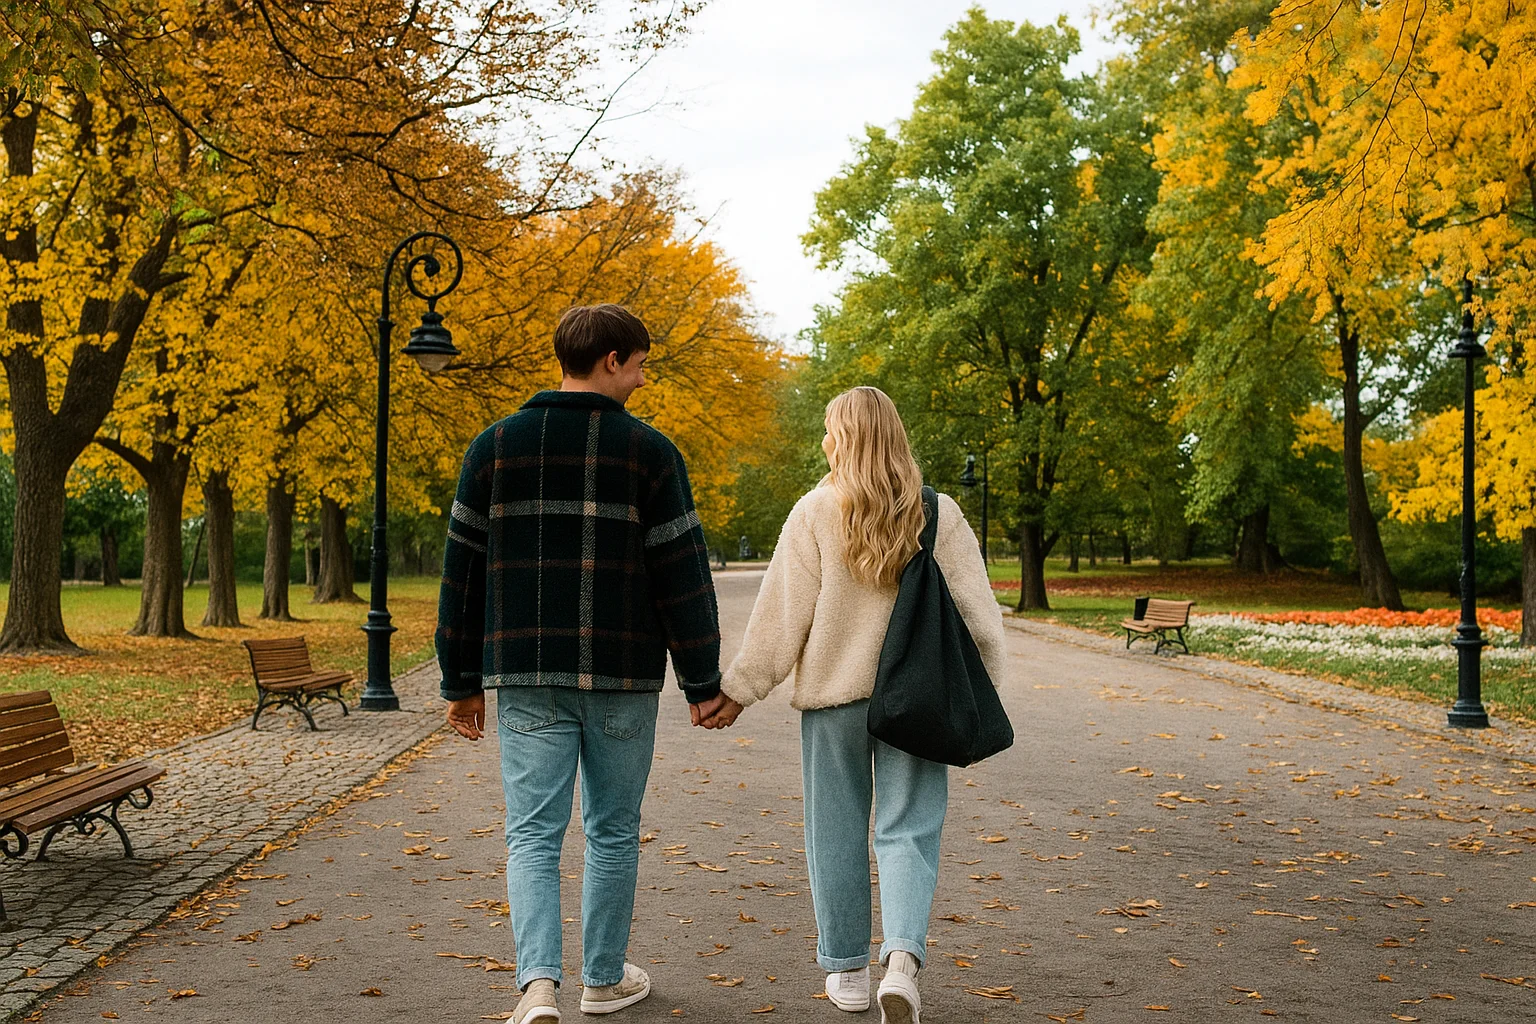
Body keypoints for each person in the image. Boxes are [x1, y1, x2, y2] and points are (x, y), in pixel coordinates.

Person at [436, 304, 734, 1024]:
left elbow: (461, 573)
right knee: (612, 829)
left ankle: (538, 986)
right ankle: (601, 980)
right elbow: (681, 576)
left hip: (526, 673)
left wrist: (461, 682)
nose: (642, 375)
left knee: (532, 834)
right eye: (638, 362)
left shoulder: (493, 447)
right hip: (623, 675)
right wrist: (702, 681)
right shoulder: (651, 453)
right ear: (609, 361)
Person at [700, 386, 1007, 1024]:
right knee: (910, 830)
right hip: (919, 698)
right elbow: (979, 616)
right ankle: (901, 964)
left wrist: (740, 689)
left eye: (830, 431)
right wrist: (983, 690)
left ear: (850, 439)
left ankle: (846, 972)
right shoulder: (938, 513)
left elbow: (783, 616)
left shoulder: (814, 510)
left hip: (834, 701)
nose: (823, 442)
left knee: (834, 829)